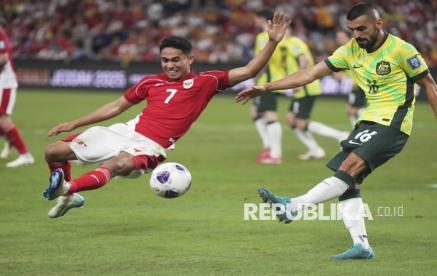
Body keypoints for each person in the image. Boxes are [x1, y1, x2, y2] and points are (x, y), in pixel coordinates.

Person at [235, 3, 437, 260]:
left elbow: (430, 86)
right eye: (352, 30)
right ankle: (361, 245)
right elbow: (309, 74)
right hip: (368, 122)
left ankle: (294, 206)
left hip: (394, 124)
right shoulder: (350, 51)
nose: (357, 35)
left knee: (348, 168)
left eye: (362, 29)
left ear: (378, 24)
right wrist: (267, 87)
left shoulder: (401, 50)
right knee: (350, 181)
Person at [41, 13, 290, 219]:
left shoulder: (206, 81)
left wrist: (272, 42)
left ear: (189, 59)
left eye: (175, 60)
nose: (169, 65)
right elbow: (116, 106)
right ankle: (69, 197)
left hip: (150, 147)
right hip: (125, 131)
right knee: (53, 152)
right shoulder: (150, 82)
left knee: (119, 164)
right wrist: (76, 122)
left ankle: (66, 188)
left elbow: (249, 70)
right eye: (164, 60)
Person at [283, 25, 349, 161]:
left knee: (300, 123)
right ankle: (315, 149)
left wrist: (299, 79)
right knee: (291, 119)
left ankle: (340, 135)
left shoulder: (293, 42)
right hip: (300, 88)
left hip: (305, 87)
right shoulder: (287, 44)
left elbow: (304, 60)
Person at [251, 9, 288, 164]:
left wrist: (255, 77)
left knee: (270, 116)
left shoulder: (262, 36)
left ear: (262, 19)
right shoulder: (285, 38)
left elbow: (263, 60)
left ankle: (275, 154)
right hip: (279, 78)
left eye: (256, 18)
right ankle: (268, 146)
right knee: (255, 112)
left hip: (267, 80)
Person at [0, 25, 34, 167]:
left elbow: (3, 58)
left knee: (4, 120)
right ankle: (10, 138)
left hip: (5, 83)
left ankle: (26, 155)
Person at [334, 30, 367, 127]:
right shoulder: (344, 50)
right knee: (350, 110)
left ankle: (368, 126)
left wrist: (355, 79)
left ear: (347, 37)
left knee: (353, 110)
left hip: (359, 83)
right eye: (337, 37)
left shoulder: (355, 48)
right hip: (354, 84)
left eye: (341, 37)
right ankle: (357, 131)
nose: (338, 39)